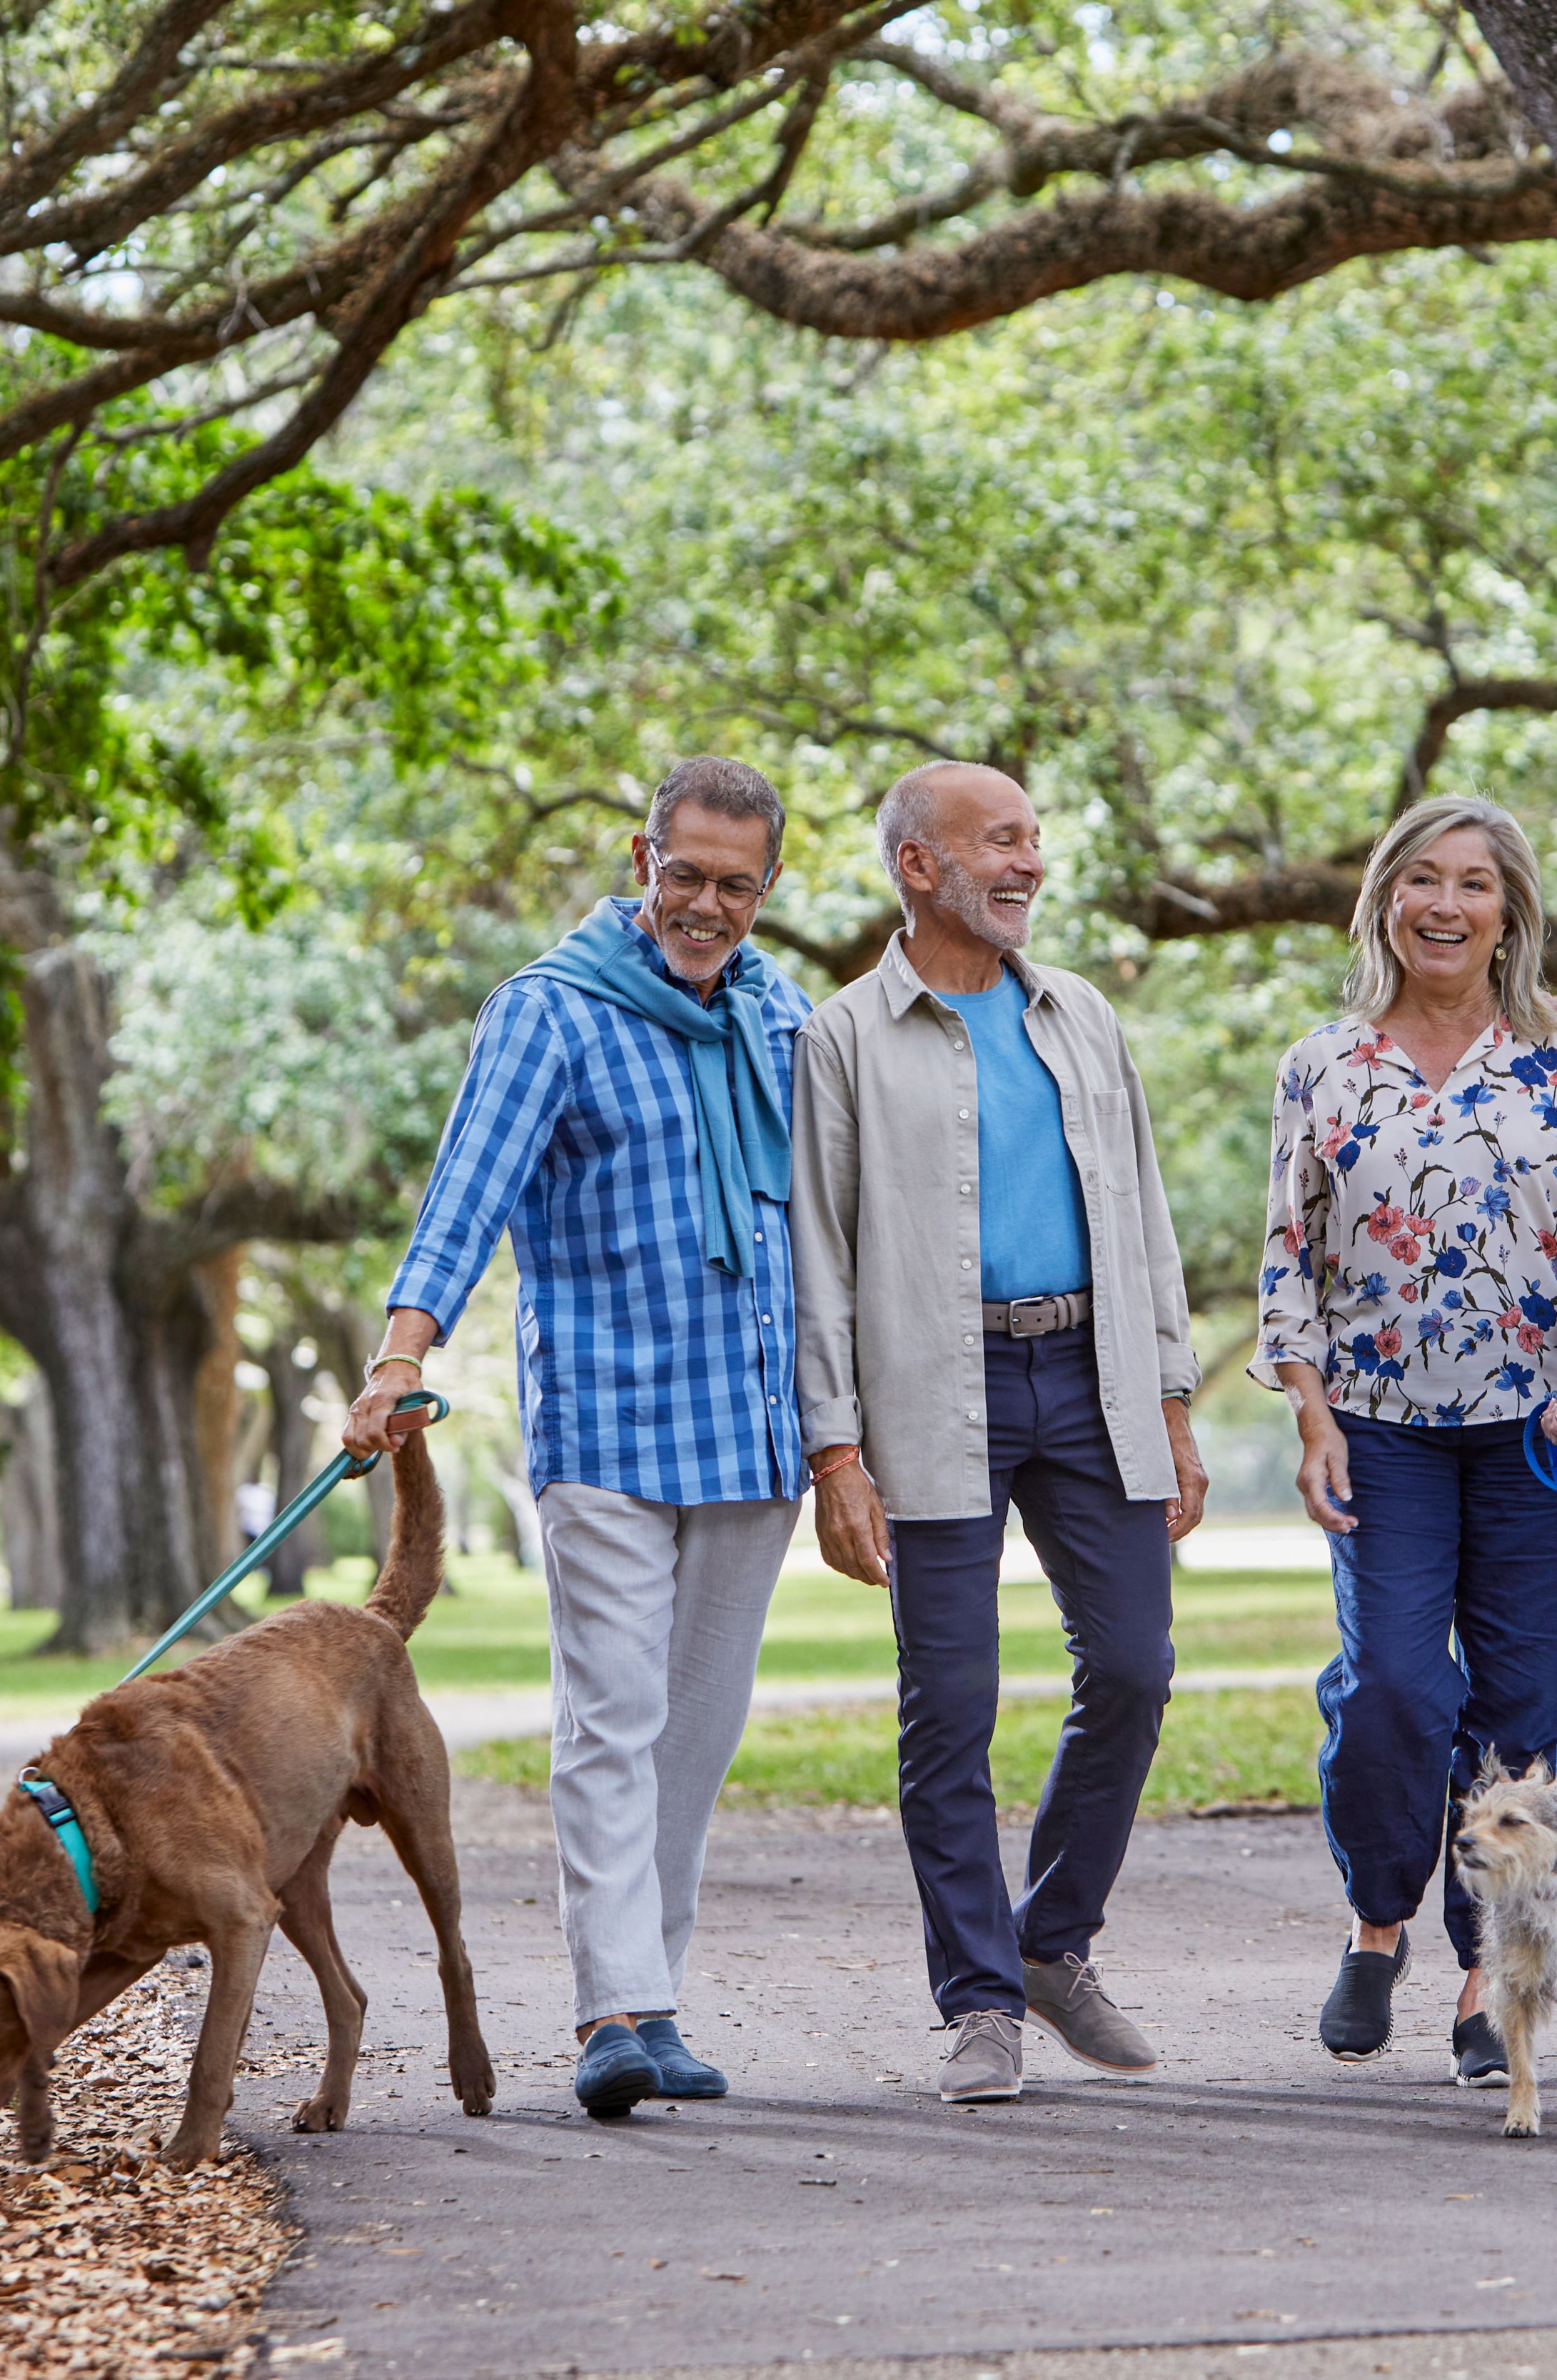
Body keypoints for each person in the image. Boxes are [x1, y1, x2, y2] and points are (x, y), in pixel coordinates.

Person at [342, 755, 812, 2121]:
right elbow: (466, 1194)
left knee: (699, 1730)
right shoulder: (550, 1010)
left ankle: (653, 1988)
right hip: (608, 1420)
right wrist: (400, 1354)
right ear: (639, 857)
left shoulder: (782, 1018)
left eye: (736, 883)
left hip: (754, 1424)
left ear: (769, 887)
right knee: (614, 1711)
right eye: (685, 874)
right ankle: (615, 2008)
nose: (707, 904)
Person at [793, 760, 1210, 2106]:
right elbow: (819, 1252)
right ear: (918, 866)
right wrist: (836, 1449)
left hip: (1090, 1375)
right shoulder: (843, 1037)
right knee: (951, 1708)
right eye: (1000, 841)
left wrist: (1171, 1396)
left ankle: (1052, 1941)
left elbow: (1142, 1210)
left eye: (1035, 838)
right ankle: (978, 1997)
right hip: (933, 1385)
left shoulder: (1080, 1014)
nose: (1029, 863)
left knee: (1137, 1667)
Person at [1252, 794, 1557, 2086]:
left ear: (1508, 912)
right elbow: (1289, 1262)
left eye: (1474, 883)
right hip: (1381, 1428)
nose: (1445, 902)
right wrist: (1309, 1408)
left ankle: (1487, 1974)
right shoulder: (1325, 1064)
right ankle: (1378, 1922)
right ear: (1384, 899)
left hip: (1539, 1431)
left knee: (1523, 1713)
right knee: (1393, 1696)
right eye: (1420, 878)